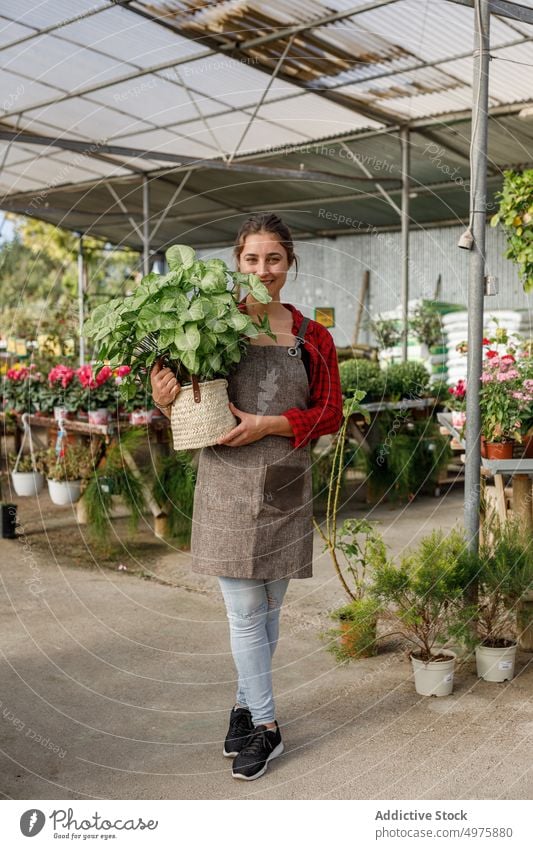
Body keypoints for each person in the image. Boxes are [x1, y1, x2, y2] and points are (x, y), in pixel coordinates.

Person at [150, 213, 343, 781]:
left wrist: (270, 424)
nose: (264, 270)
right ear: (237, 263)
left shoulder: (313, 338)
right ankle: (266, 726)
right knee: (242, 613)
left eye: (274, 259)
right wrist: (164, 400)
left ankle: (241, 705)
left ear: (290, 264)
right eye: (252, 259)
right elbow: (186, 406)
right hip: (228, 481)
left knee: (269, 612)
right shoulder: (211, 325)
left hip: (284, 479)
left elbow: (330, 413)